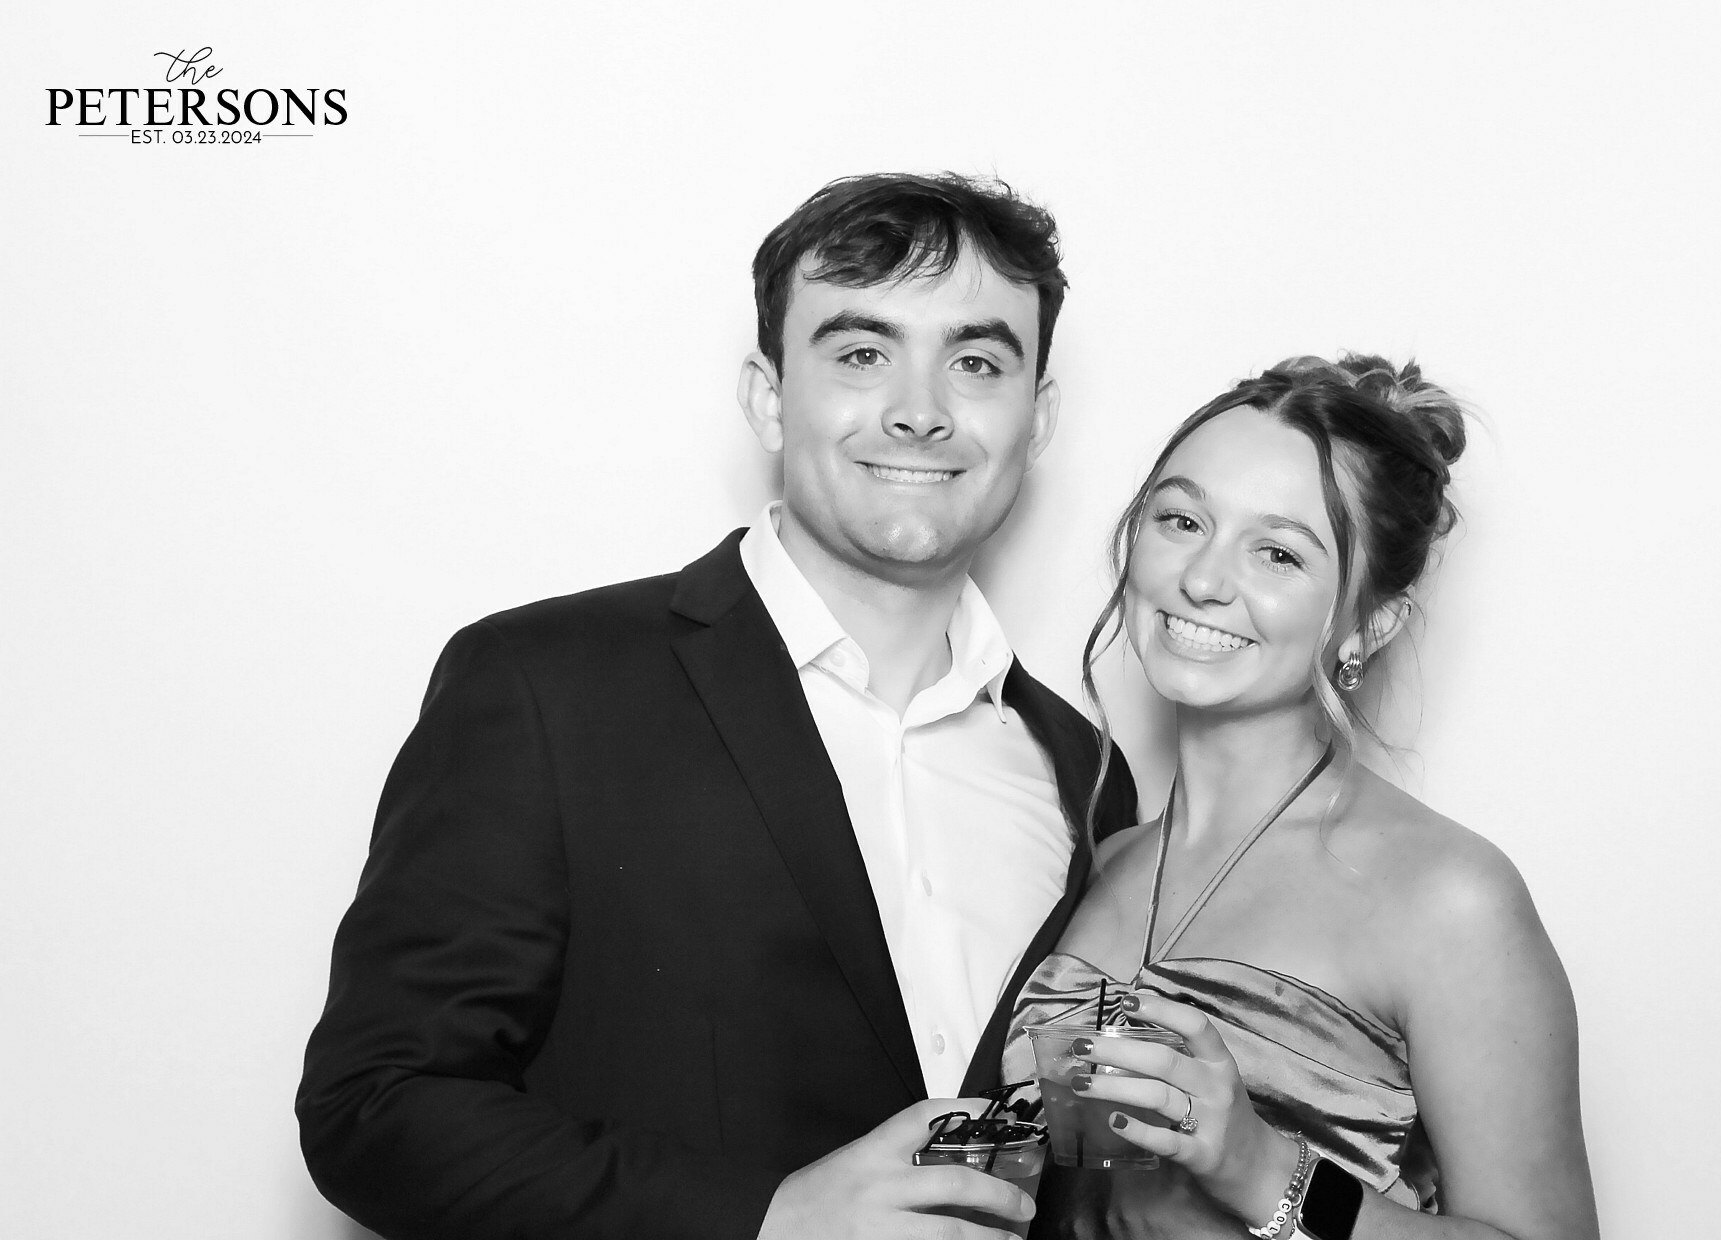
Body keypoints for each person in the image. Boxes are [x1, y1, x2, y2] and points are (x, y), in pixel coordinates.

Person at [297, 172, 1138, 1240]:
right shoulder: (545, 687)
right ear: (769, 397)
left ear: (1037, 416)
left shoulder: (1085, 772)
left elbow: (1073, 1155)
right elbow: (375, 1108)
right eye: (861, 353)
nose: (920, 410)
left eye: (974, 362)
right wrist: (763, 1219)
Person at [1005, 356, 1597, 1238]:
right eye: (1181, 520)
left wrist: (1260, 1169)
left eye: (1278, 553)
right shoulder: (1106, 858)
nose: (1203, 579)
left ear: (1370, 624)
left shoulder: (1450, 900)